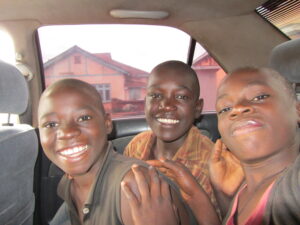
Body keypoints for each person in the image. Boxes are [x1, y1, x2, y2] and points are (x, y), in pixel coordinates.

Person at [123, 67, 300, 225]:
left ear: (297, 109)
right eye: (225, 108)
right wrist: (221, 197)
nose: (238, 108)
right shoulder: (243, 192)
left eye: (260, 97)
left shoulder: (291, 188)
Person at [37, 78, 197, 225]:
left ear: (107, 124)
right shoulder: (69, 183)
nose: (67, 132)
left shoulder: (133, 188)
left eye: (83, 118)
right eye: (51, 124)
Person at [124, 60, 220, 217]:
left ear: (197, 108)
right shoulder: (136, 145)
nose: (167, 105)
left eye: (181, 96)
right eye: (156, 95)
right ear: (145, 103)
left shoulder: (211, 163)